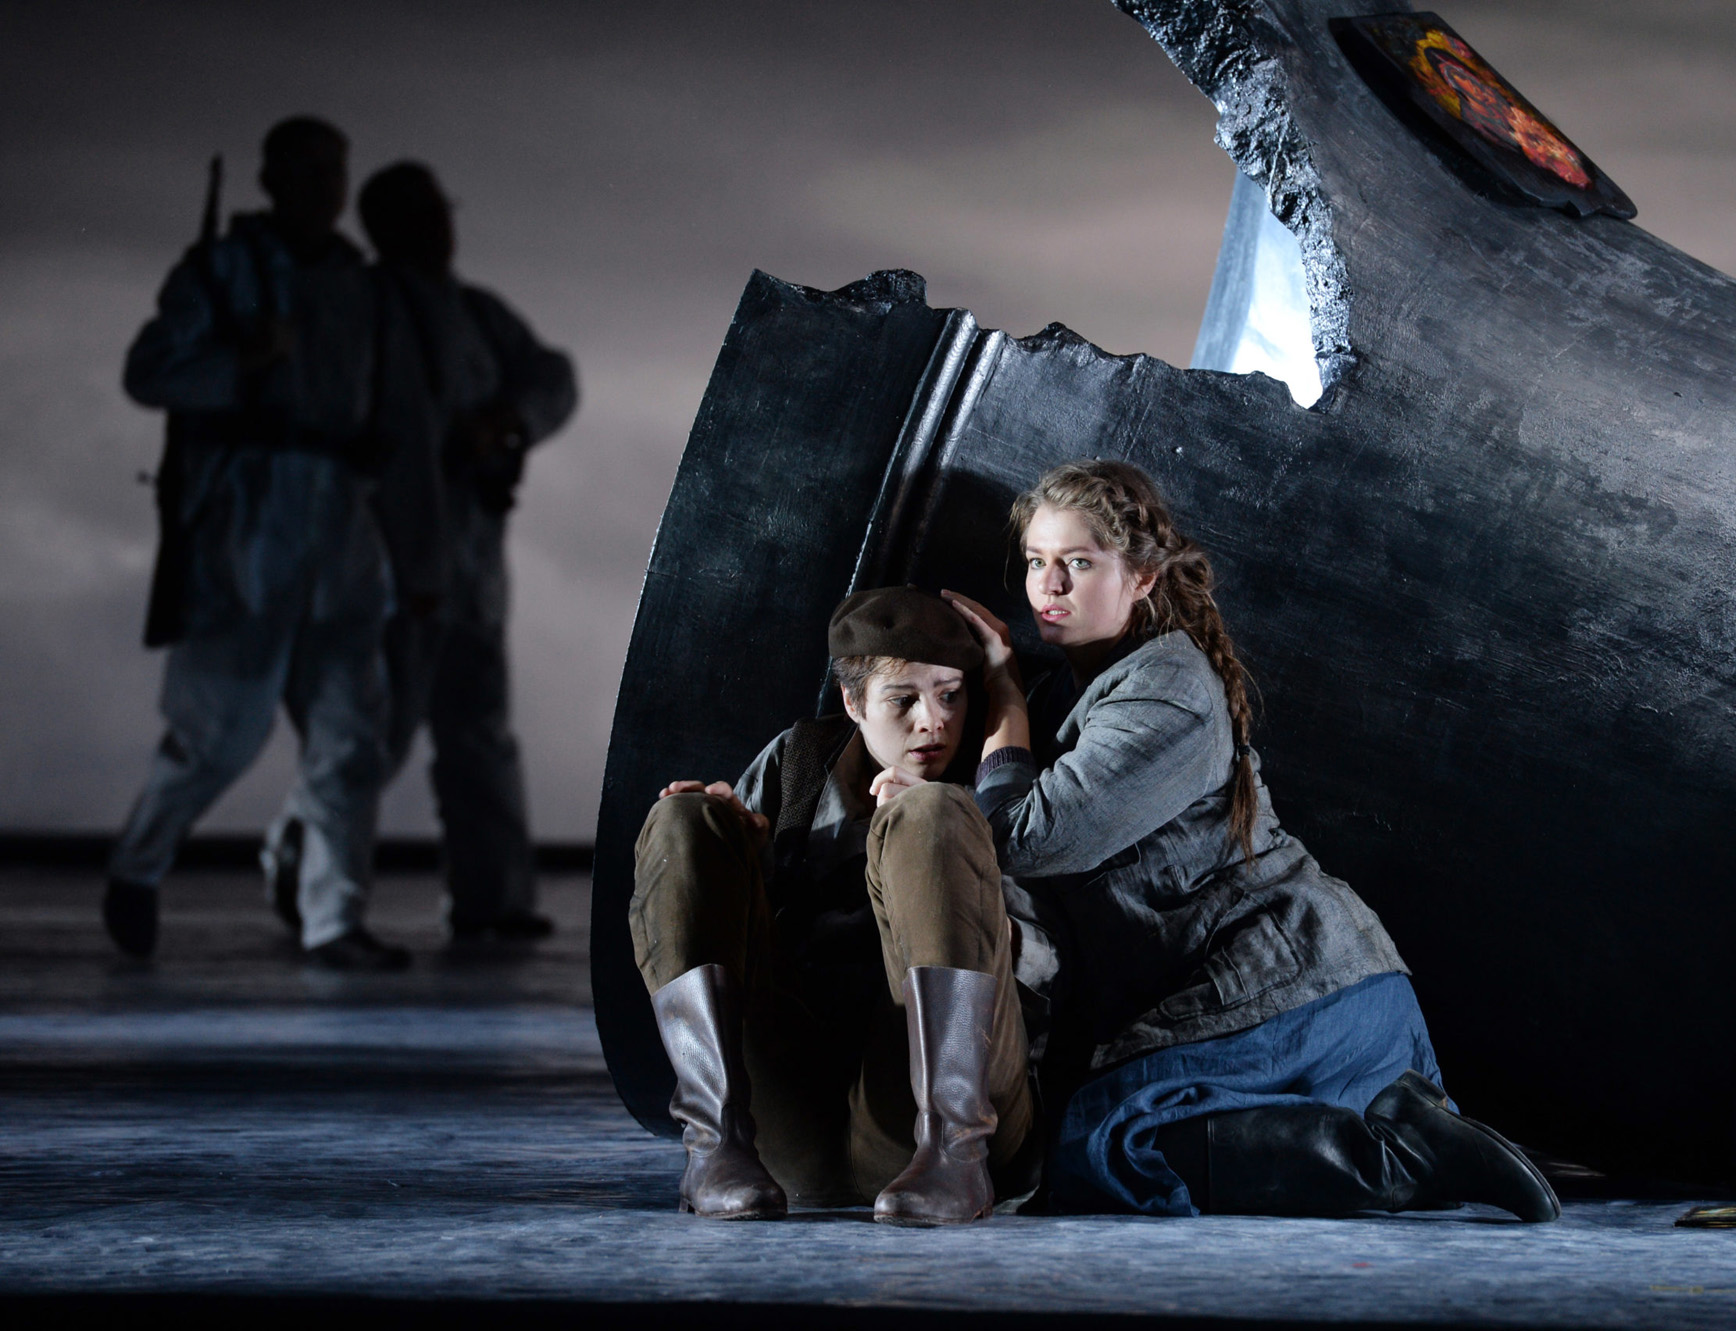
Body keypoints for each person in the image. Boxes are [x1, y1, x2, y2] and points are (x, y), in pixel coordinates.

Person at [944, 460, 1559, 1220]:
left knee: (1100, 1146)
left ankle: (1400, 1156)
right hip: (1277, 1003)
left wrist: (1002, 694)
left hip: (1300, 997)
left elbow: (1020, 839)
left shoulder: (1166, 687)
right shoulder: (1067, 691)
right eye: (1038, 561)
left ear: (1141, 577)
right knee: (1085, 1143)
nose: (1051, 585)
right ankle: (1405, 1140)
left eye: (1080, 562)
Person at [627, 586, 1038, 1225]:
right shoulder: (800, 764)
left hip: (945, 1118)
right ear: (853, 702)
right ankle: (714, 1145)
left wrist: (938, 844)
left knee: (932, 811)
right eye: (903, 700)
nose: (933, 721)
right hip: (793, 1125)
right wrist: (746, 858)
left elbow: (1053, 954)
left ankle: (953, 1154)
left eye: (951, 696)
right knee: (683, 818)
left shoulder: (993, 780)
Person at [106, 116, 409, 972]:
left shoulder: (362, 286)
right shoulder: (221, 270)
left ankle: (333, 918)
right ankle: (137, 862)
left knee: (350, 734)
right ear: (272, 180)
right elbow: (149, 370)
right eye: (306, 170)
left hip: (341, 516)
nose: (323, 186)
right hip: (246, 514)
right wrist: (238, 361)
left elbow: (387, 404)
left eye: (333, 170)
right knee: (218, 730)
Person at [266, 161, 577, 943]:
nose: (439, 227)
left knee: (478, 733)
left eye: (439, 210)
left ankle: (492, 900)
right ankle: (300, 863)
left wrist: (506, 420)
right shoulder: (365, 308)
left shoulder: (476, 313)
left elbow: (551, 377)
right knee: (375, 733)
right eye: (421, 214)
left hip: (472, 559)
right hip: (390, 558)